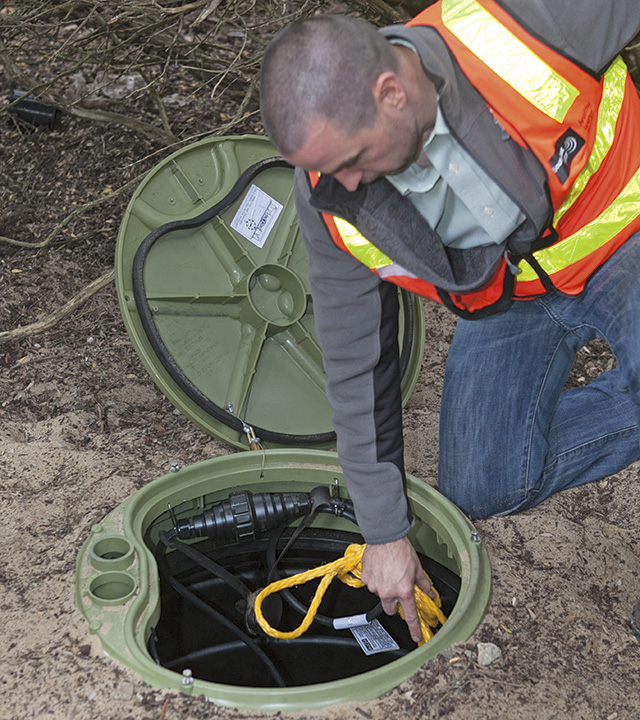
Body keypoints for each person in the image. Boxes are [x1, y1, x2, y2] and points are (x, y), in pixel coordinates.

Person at [260, 0, 640, 644]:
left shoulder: (520, 26)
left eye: (352, 158)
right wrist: (383, 531)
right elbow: (356, 361)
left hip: (625, 241)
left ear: (391, 93)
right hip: (512, 300)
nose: (344, 183)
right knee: (481, 487)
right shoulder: (329, 192)